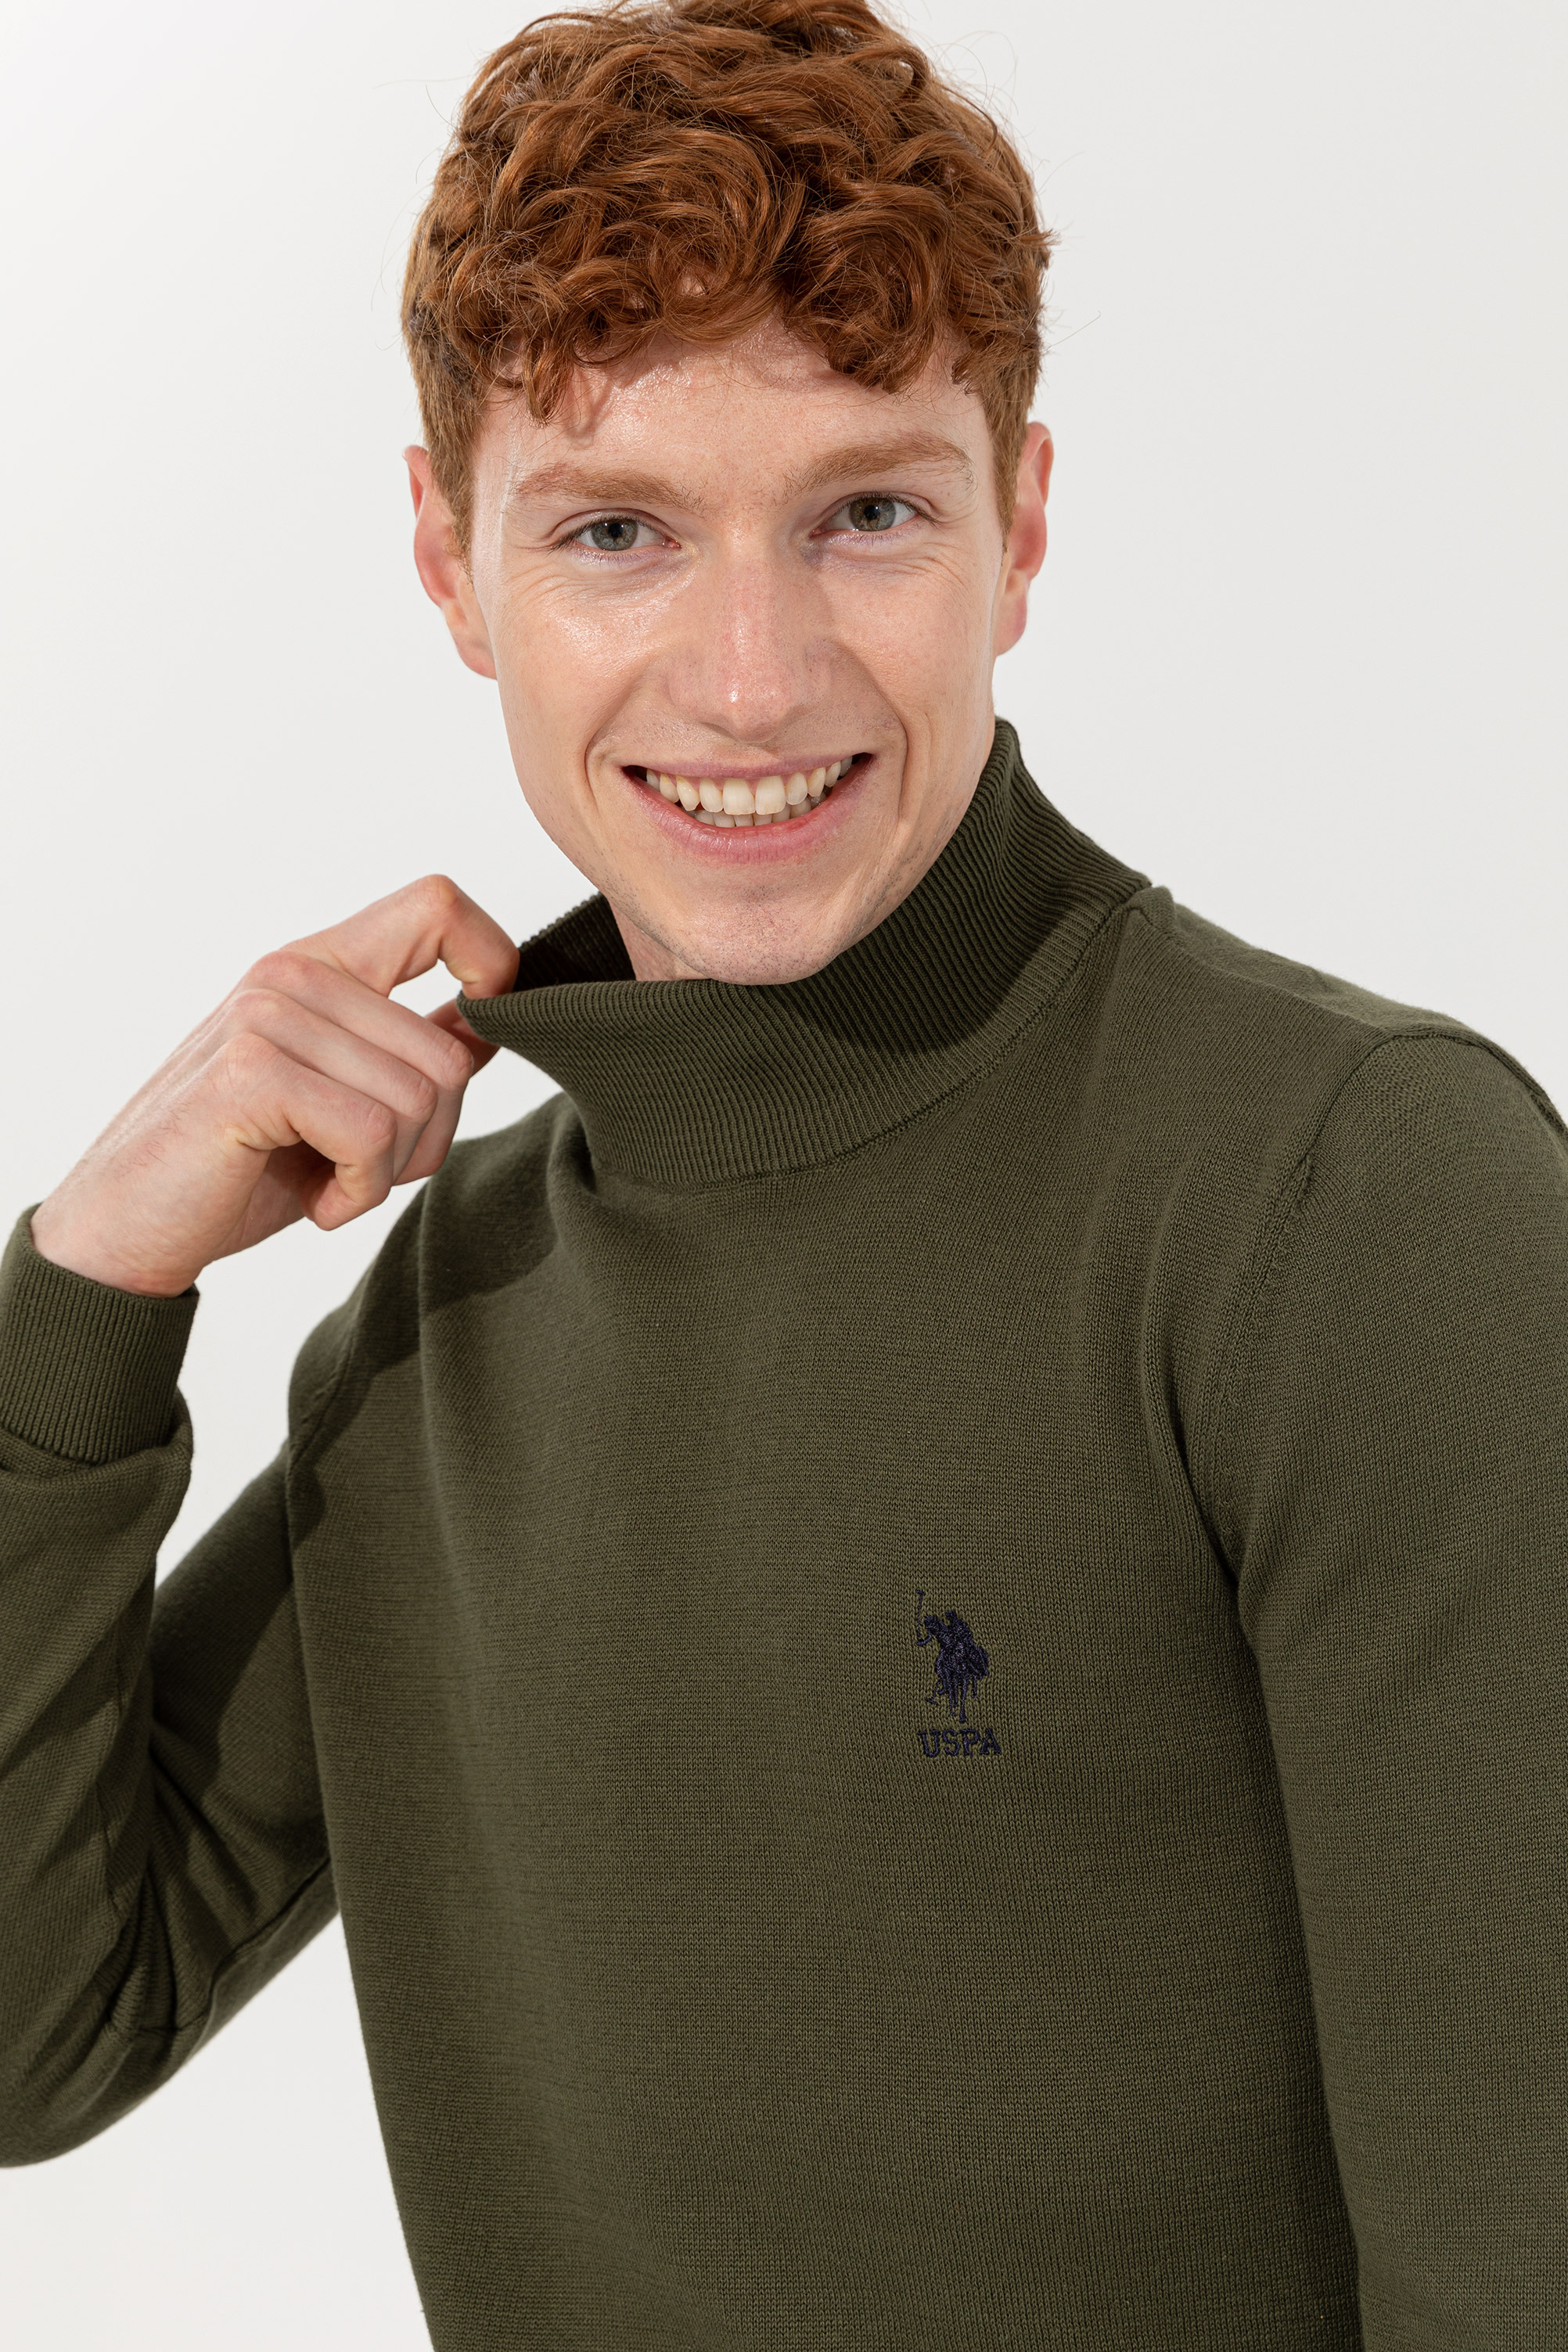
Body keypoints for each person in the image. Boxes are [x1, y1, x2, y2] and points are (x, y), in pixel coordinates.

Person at [2, 0, 1564, 2343]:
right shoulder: (442, 1330)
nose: (749, 679)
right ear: (448, 562)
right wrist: (81, 1294)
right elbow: (34, 2036)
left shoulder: (1350, 1199)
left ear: (1021, 527)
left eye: (867, 514)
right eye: (615, 532)